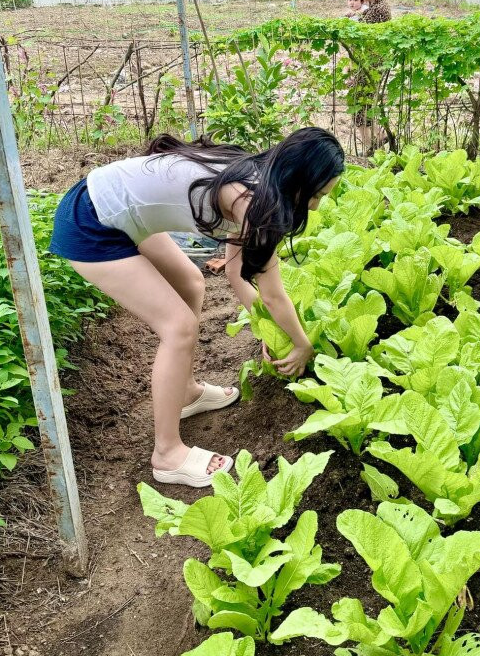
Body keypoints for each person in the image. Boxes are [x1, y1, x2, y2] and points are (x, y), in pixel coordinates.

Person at [48, 127, 345, 489]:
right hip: (90, 221)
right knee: (179, 327)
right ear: (297, 177)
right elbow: (273, 295)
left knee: (191, 282)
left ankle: (185, 392)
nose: (314, 206)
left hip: (116, 208)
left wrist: (271, 331)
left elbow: (237, 275)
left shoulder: (257, 176)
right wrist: (301, 343)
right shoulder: (253, 200)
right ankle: (167, 455)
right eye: (315, 195)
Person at [349, 0, 392, 152]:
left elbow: (359, 35)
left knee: (359, 103)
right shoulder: (376, 5)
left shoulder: (379, 10)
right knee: (364, 102)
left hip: (370, 63)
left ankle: (371, 143)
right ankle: (376, 138)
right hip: (370, 61)